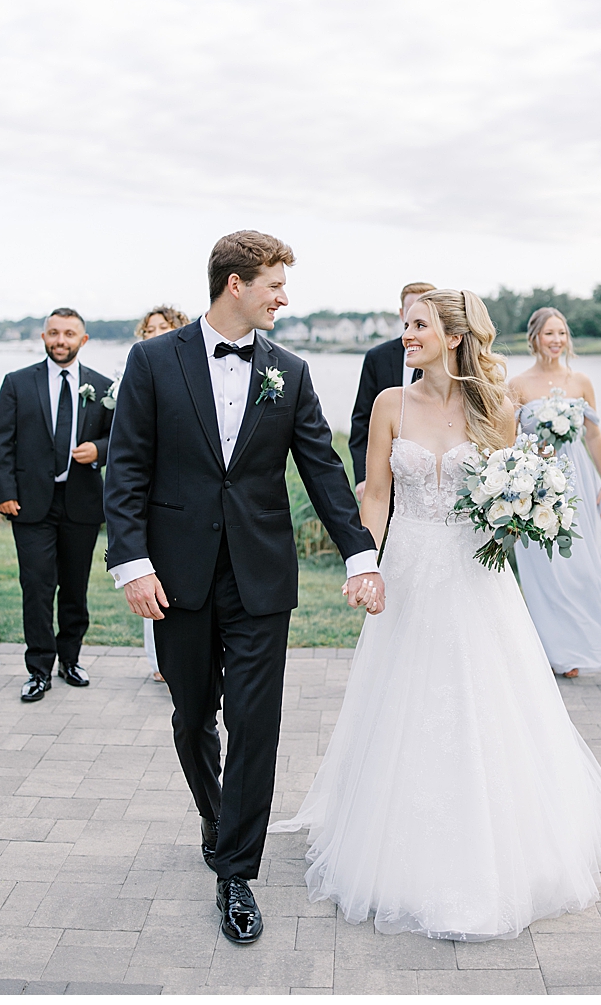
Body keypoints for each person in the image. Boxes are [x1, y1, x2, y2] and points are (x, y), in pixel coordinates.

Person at [272, 289, 601, 940]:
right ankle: (397, 842)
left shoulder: (495, 407)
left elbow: (513, 489)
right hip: (409, 568)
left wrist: (521, 511)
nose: (407, 334)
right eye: (405, 324)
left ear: (455, 337)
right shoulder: (389, 404)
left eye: (420, 325)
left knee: (483, 698)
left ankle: (494, 846)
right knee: (404, 698)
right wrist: (365, 564)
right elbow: (377, 496)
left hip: (474, 573)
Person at [104, 231, 386, 945]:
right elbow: (127, 465)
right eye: (275, 285)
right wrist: (132, 563)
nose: (284, 298)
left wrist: (360, 554)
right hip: (177, 576)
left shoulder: (289, 370)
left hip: (261, 576)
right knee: (192, 713)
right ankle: (215, 812)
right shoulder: (152, 361)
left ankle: (236, 872)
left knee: (256, 723)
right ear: (237, 284)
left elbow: (322, 468)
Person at [507, 307, 601, 677]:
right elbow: (509, 439)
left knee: (578, 566)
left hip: (577, 482)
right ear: (534, 338)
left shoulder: (581, 382)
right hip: (537, 485)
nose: (556, 340)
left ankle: (582, 643)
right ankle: (555, 650)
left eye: (561, 333)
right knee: (545, 569)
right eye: (549, 333)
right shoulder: (517, 385)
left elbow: (592, 435)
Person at [0, 308, 116, 703]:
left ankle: (71, 660)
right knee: (37, 587)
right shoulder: (17, 382)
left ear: (83, 340)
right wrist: (3, 492)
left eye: (69, 334)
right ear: (44, 337)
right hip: (30, 504)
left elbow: (123, 439)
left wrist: (99, 450)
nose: (61, 340)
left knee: (75, 588)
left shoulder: (103, 386)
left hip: (81, 503)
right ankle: (38, 669)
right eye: (54, 333)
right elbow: (1, 441)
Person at [131, 306, 190, 681]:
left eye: (162, 328)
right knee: (148, 571)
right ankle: (159, 659)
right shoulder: (139, 369)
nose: (154, 334)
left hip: (181, 490)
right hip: (149, 493)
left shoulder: (188, 372)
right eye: (148, 329)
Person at [349, 281, 435, 505]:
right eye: (412, 309)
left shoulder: (446, 362)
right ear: (402, 313)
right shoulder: (377, 357)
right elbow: (361, 420)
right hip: (385, 479)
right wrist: (363, 478)